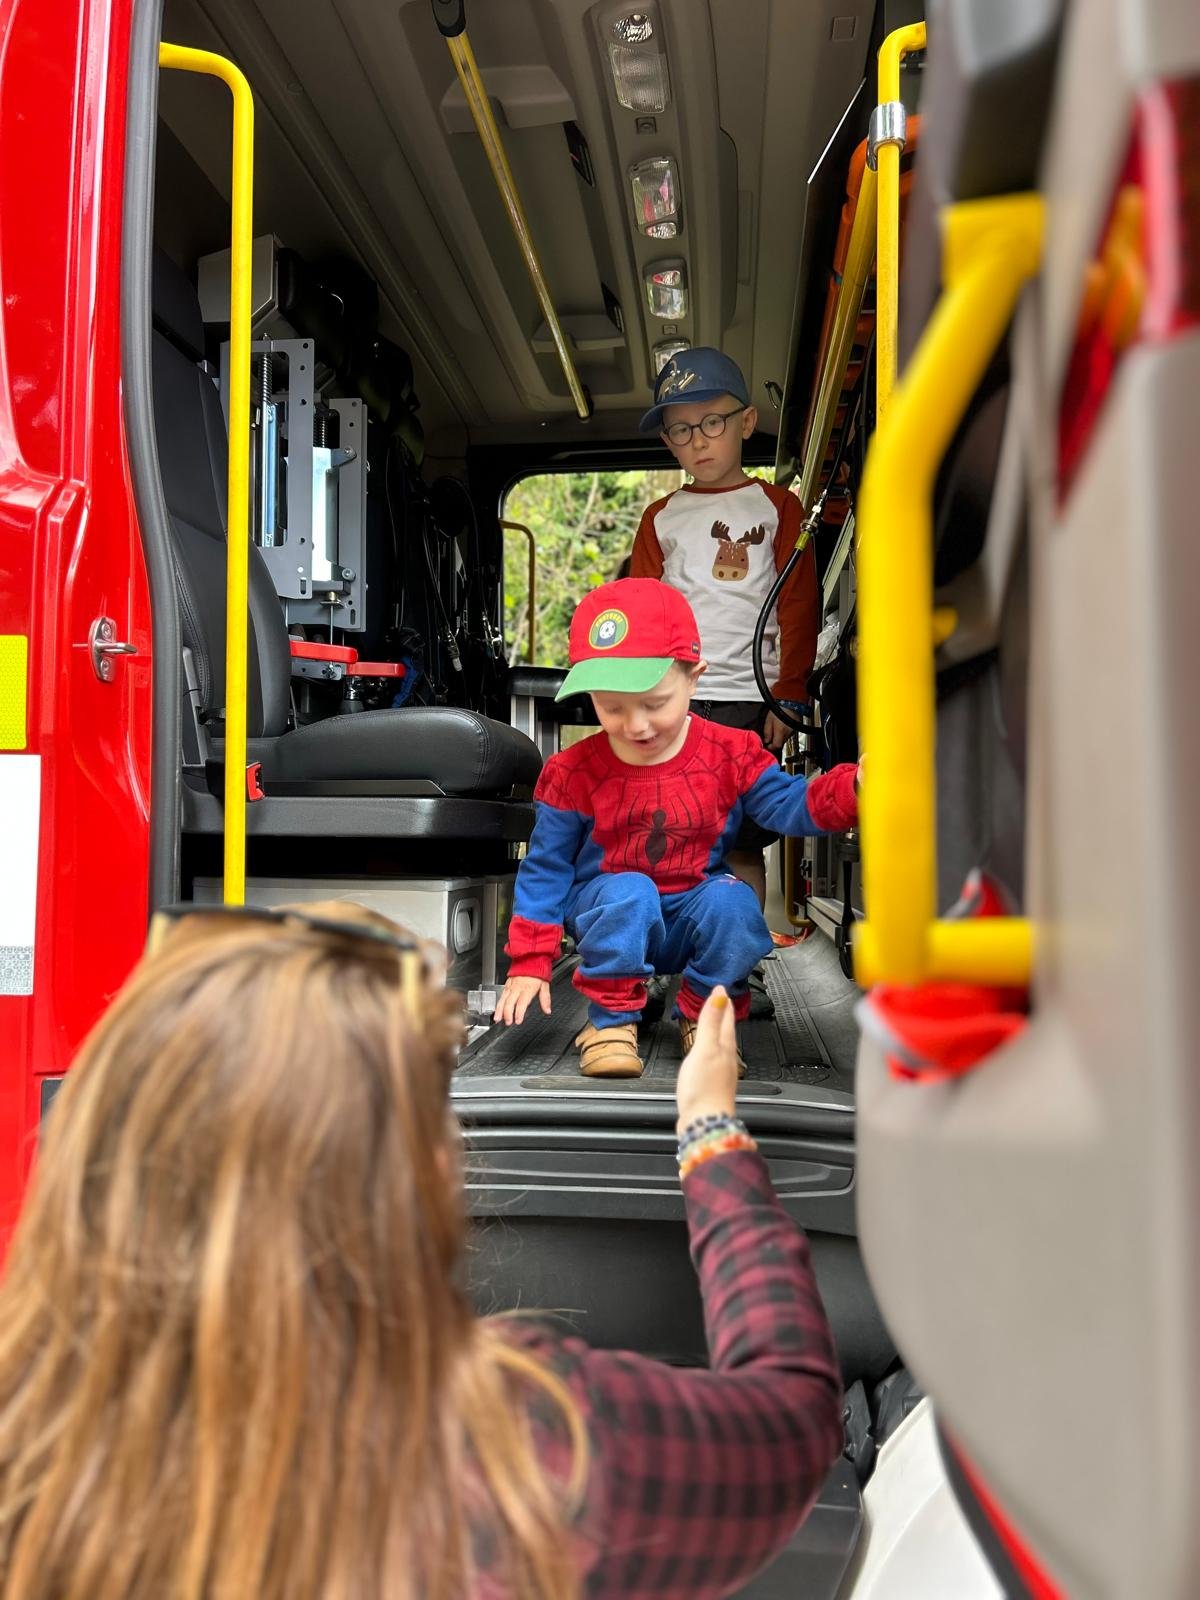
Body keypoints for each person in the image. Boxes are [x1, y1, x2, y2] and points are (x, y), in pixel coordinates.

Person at [0, 901, 844, 1600]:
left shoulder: (34, 1441)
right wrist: (711, 1132)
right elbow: (791, 1419)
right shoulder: (525, 1442)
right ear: (414, 1169)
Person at [495, 579, 858, 1077]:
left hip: (691, 910)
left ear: (694, 678)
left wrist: (855, 789)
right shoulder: (570, 772)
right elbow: (545, 870)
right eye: (611, 707)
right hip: (610, 913)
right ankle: (611, 1022)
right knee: (630, 892)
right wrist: (530, 960)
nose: (635, 725)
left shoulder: (732, 752)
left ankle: (704, 1016)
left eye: (654, 703)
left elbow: (790, 805)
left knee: (734, 901)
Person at [630, 346, 821, 912]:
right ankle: (674, 946)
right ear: (667, 441)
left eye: (712, 422)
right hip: (677, 701)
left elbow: (798, 606)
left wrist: (788, 694)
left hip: (749, 699)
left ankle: (742, 954)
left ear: (746, 421)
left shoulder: (778, 507)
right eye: (680, 430)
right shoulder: (660, 517)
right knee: (669, 834)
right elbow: (642, 613)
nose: (698, 441)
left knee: (741, 841)